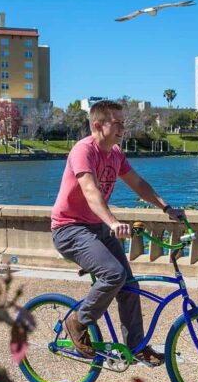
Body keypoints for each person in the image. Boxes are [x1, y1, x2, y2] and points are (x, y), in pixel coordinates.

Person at [50, 100, 184, 365]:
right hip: (69, 228)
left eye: (124, 123)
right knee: (114, 274)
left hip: (96, 227)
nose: (123, 128)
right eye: (118, 123)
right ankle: (77, 322)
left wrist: (167, 208)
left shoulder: (115, 153)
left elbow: (138, 184)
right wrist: (113, 222)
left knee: (129, 287)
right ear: (98, 126)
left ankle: (136, 347)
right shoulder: (83, 151)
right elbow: (91, 191)